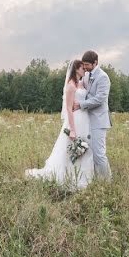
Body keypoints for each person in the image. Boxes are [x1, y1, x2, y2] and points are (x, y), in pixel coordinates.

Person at [24, 59, 95, 189]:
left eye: (85, 69)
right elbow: (68, 109)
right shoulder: (71, 85)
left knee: (85, 148)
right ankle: (68, 177)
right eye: (82, 68)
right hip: (75, 120)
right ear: (76, 69)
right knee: (71, 148)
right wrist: (72, 129)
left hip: (85, 119)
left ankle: (85, 177)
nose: (84, 70)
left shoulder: (81, 84)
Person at [73, 50, 112, 181]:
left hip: (99, 120)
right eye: (83, 64)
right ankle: (95, 179)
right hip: (87, 120)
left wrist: (80, 104)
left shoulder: (103, 77)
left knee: (99, 154)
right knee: (90, 152)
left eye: (87, 64)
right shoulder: (86, 75)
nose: (84, 67)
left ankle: (107, 182)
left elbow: (99, 99)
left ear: (95, 63)